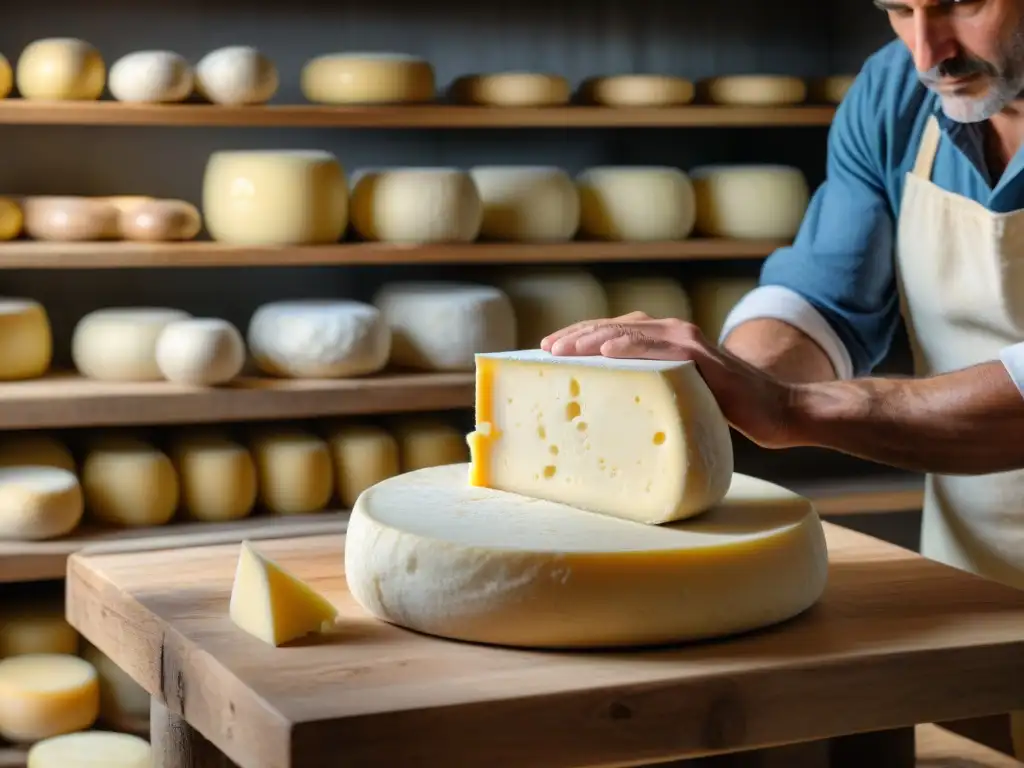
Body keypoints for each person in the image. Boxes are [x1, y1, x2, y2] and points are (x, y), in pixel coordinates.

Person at [544, 3, 1024, 754]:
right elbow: (825, 297)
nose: (929, 48)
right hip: (974, 594)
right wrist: (716, 384)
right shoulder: (897, 92)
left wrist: (795, 408)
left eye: (963, 1)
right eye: (900, 8)